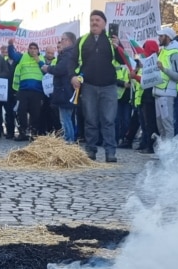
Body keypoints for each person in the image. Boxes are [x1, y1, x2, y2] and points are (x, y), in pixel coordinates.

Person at [71, 10, 124, 162]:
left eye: (97, 20)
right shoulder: (82, 41)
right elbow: (72, 61)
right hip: (88, 86)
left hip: (109, 87)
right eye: (92, 20)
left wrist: (117, 47)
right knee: (90, 120)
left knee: (108, 120)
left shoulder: (111, 41)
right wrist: (72, 76)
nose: (94, 22)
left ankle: (110, 152)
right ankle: (91, 151)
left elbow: (123, 61)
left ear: (104, 23)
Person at [152, 26, 178, 146]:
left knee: (167, 124)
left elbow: (177, 76)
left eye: (161, 36)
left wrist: (163, 69)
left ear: (168, 37)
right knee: (160, 124)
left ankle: (169, 151)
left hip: (167, 93)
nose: (159, 38)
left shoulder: (175, 53)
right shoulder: (163, 51)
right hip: (159, 92)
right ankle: (163, 149)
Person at [7, 40, 45, 141]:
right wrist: (10, 45)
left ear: (38, 50)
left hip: (37, 91)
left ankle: (34, 133)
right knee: (21, 112)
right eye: (31, 48)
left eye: (35, 48)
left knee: (35, 113)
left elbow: (46, 72)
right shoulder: (22, 57)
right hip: (23, 91)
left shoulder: (41, 59)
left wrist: (38, 60)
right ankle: (22, 133)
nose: (33, 50)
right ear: (28, 49)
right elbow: (12, 55)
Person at [49, 32, 78, 142]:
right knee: (67, 118)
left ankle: (69, 142)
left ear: (69, 41)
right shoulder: (70, 53)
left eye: (63, 39)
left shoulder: (68, 54)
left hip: (65, 91)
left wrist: (49, 68)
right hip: (66, 90)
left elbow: (60, 69)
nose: (61, 41)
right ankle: (69, 141)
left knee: (65, 119)